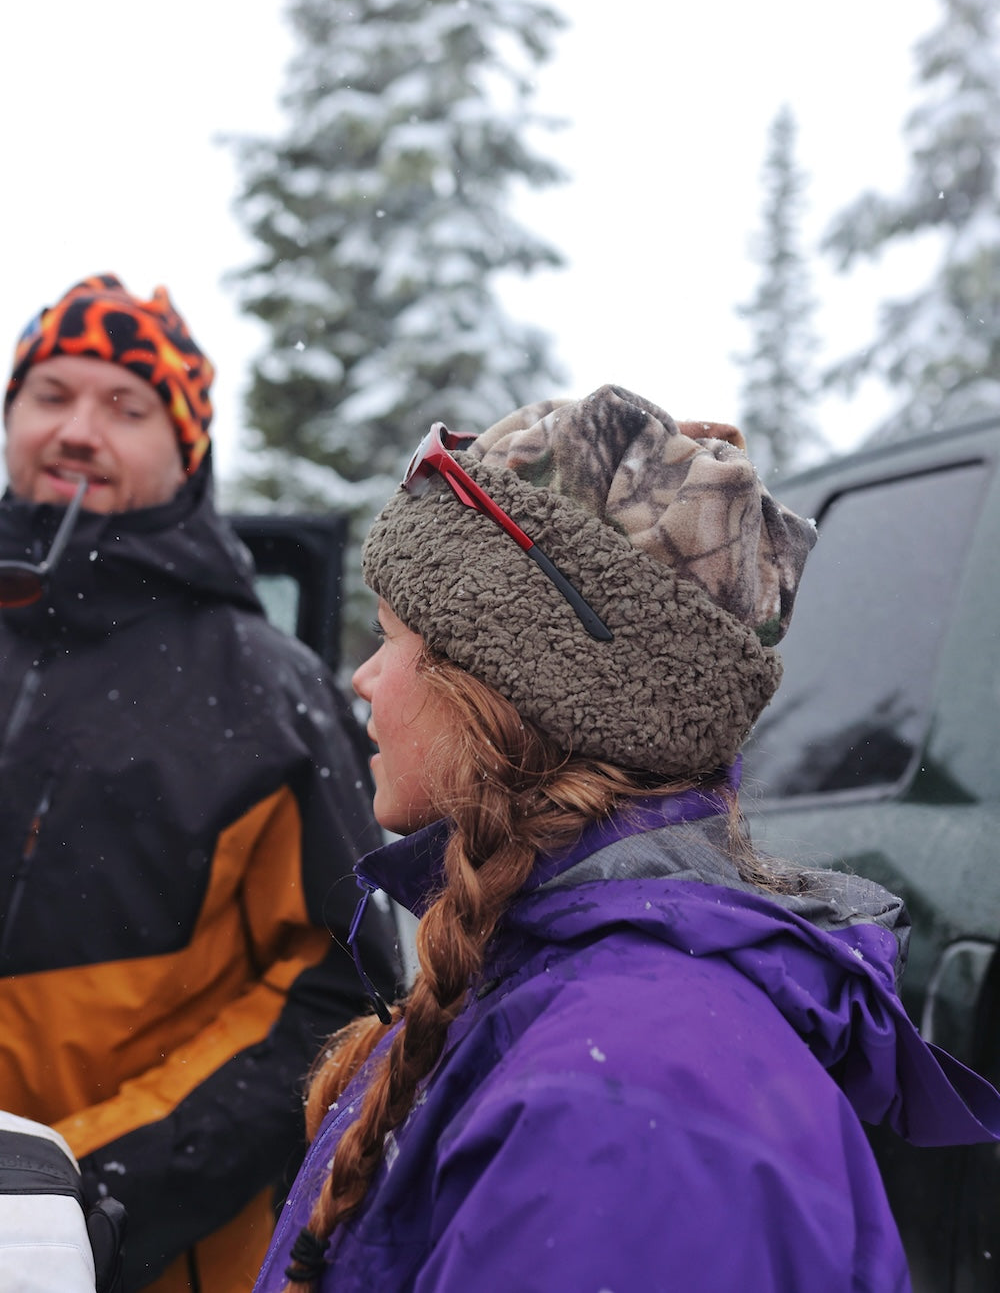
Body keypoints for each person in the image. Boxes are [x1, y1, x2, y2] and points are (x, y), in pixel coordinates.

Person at [249, 384, 1000, 1293]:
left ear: (513, 692)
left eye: (394, 636)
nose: (363, 678)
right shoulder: (557, 1001)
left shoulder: (625, 1099)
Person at [0, 274, 400, 1293]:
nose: (78, 429)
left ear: (187, 451)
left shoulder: (269, 688)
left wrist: (82, 1190)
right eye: (49, 396)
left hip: (144, 1255)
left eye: (126, 407)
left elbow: (337, 993)